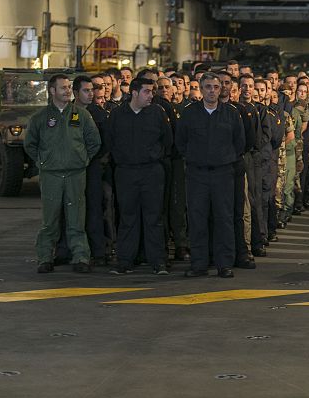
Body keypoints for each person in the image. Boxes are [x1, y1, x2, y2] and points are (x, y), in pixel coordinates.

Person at [24, 74, 101, 273]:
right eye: (63, 88)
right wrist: (44, 162)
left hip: (76, 174)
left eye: (69, 87)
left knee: (77, 218)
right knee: (50, 220)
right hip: (51, 175)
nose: (68, 91)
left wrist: (82, 160)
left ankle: (81, 257)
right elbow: (30, 144)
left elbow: (94, 142)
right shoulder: (40, 118)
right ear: (52, 91)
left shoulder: (82, 115)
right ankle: (44, 258)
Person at [176, 72, 245, 278]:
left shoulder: (231, 114)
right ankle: (199, 264)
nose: (212, 91)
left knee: (224, 219)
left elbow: (240, 142)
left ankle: (224, 264)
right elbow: (181, 142)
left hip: (224, 173)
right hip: (197, 174)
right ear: (200, 88)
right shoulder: (189, 114)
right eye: (208, 87)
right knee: (197, 219)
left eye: (216, 87)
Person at [105, 77, 173, 275]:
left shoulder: (157, 113)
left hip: (152, 171)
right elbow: (110, 141)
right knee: (128, 217)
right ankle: (125, 261)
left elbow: (167, 140)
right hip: (126, 172)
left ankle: (158, 261)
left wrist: (155, 157)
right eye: (147, 91)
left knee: (154, 217)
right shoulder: (118, 115)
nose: (151, 95)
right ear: (134, 93)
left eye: (152, 91)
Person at [73, 75, 111, 266]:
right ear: (75, 93)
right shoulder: (69, 112)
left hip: (93, 168)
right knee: (72, 210)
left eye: (91, 90)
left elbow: (106, 143)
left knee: (95, 209)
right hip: (72, 169)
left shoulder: (99, 113)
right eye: (86, 91)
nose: (91, 94)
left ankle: (98, 251)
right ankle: (70, 249)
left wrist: (99, 163)